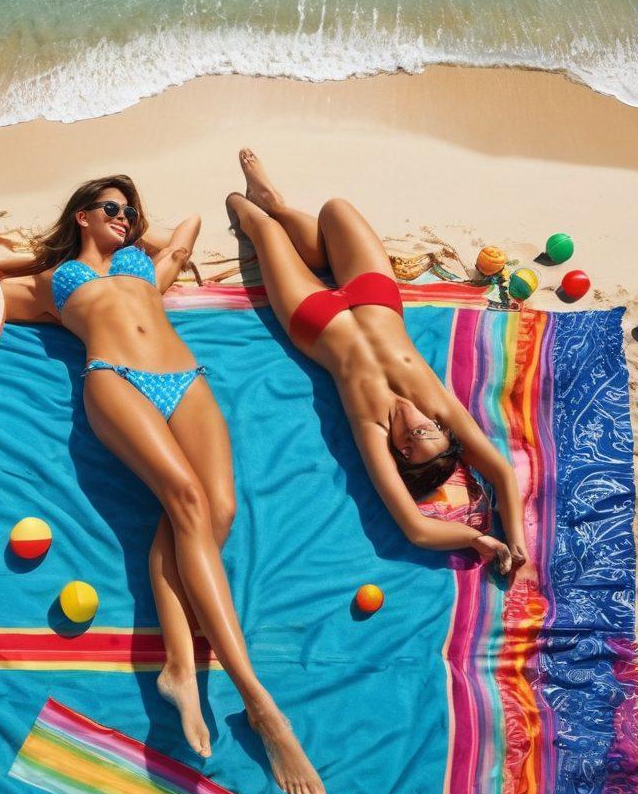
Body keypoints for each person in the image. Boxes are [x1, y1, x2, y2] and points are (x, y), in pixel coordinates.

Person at [0, 175, 326, 794]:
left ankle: (178, 667)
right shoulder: (51, 286)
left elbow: (190, 226)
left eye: (130, 212)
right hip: (116, 379)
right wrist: (43, 253)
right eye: (111, 209)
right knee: (188, 504)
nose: (126, 218)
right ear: (82, 214)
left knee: (215, 511)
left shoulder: (147, 265)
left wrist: (135, 233)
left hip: (184, 377)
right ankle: (257, 699)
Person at [226, 149, 531, 580]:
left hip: (314, 319)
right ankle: (275, 200)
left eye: (411, 441)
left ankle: (266, 209)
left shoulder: (374, 430)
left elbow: (416, 529)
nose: (414, 427)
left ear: (401, 451)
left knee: (256, 224)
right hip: (375, 297)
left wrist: (474, 538)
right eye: (427, 431)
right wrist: (515, 535)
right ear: (441, 428)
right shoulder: (438, 404)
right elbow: (499, 471)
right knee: (336, 210)